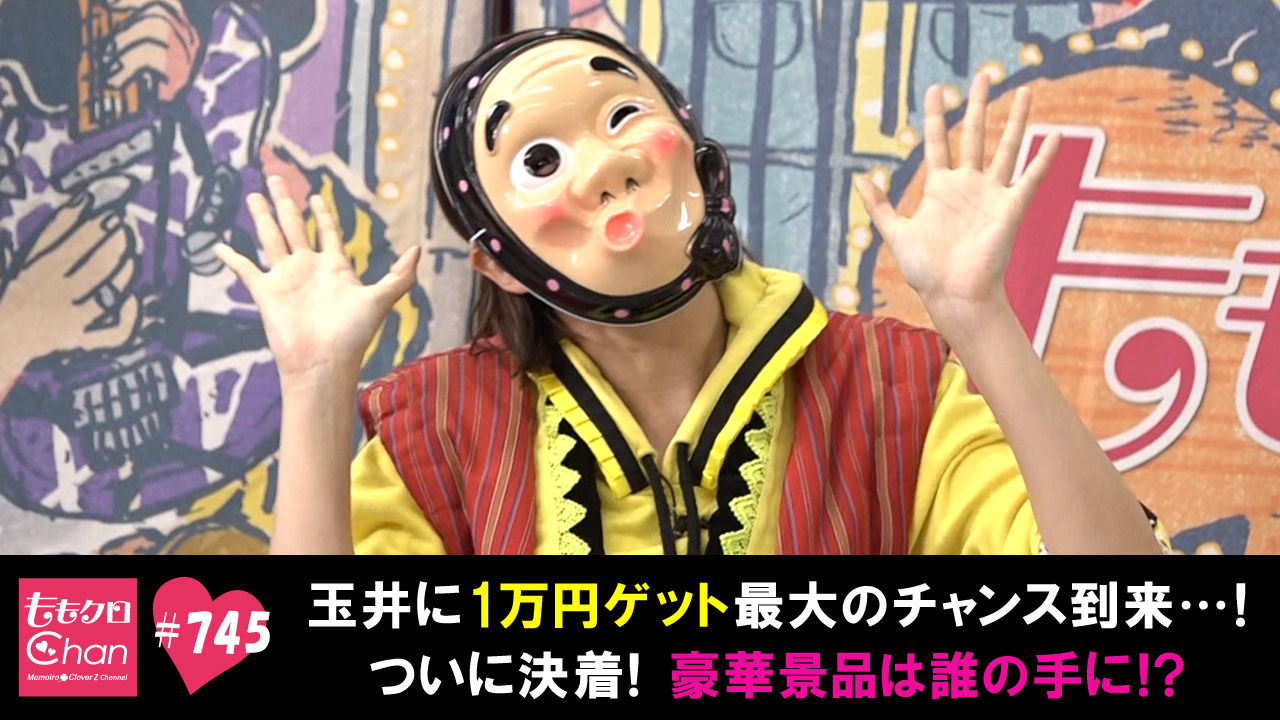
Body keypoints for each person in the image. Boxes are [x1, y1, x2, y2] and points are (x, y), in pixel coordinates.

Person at [214, 27, 1172, 555]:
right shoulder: (439, 436)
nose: (606, 167)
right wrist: (314, 387)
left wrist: (979, 318)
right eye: (540, 158)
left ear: (695, 148)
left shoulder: (896, 392)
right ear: (497, 261)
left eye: (622, 113)